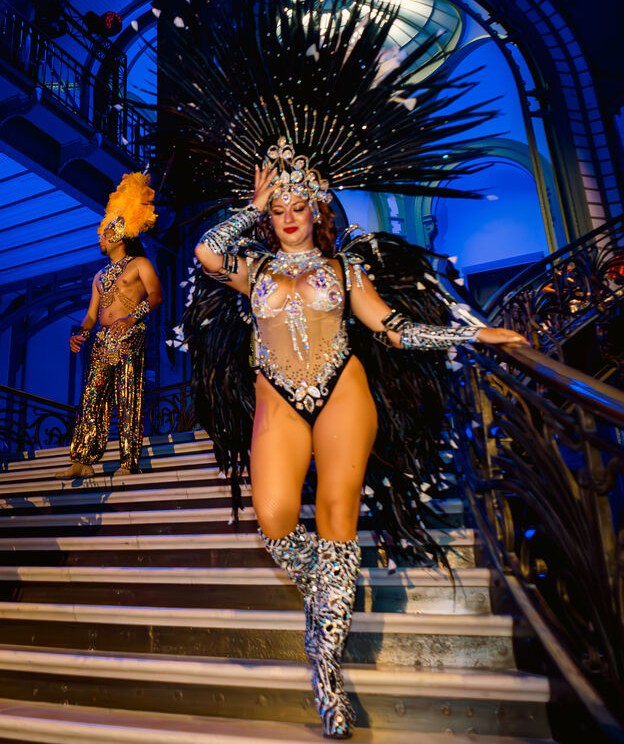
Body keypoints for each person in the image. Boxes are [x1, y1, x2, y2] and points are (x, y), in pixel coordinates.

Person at [194, 151, 525, 739]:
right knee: (274, 518)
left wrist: (471, 334)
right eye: (279, 208)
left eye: (300, 206)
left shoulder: (345, 269)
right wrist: (251, 205)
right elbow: (206, 253)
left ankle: (325, 670)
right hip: (277, 399)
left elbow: (392, 328)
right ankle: (328, 592)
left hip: (342, 393)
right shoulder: (253, 268)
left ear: (317, 210)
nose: (289, 216)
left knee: (335, 521)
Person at [56, 173, 163, 479]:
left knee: (128, 395)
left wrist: (131, 318)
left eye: (104, 234)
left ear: (118, 236)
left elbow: (157, 296)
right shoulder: (99, 276)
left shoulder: (140, 264)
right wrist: (81, 333)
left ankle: (128, 461)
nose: (100, 239)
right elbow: (91, 315)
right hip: (102, 339)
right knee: (92, 397)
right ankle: (82, 459)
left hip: (129, 335)